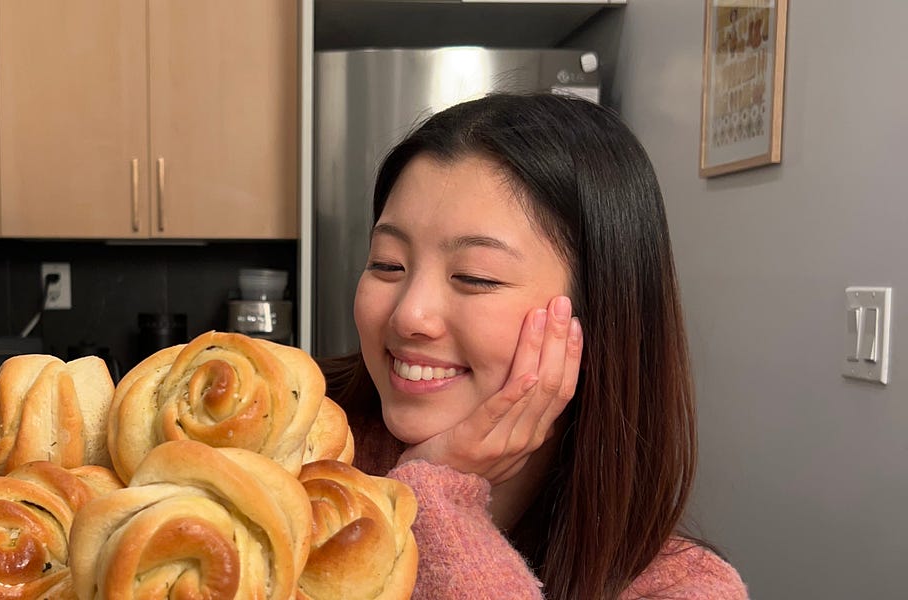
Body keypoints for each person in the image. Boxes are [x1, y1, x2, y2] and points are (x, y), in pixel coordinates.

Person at [319, 93, 748, 600]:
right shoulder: (287, 462)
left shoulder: (683, 587)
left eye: (475, 277)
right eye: (388, 264)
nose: (408, 315)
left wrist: (438, 495)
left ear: (599, 314)